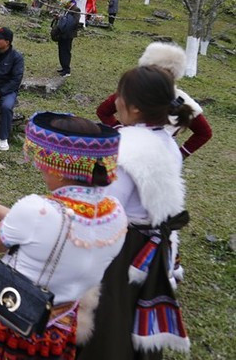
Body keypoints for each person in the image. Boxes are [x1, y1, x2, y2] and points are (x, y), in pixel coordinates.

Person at [0, 112, 127, 360]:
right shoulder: (115, 212)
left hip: (16, 316)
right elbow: (44, 229)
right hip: (62, 322)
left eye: (44, 162)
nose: (41, 168)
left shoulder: (37, 209)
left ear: (59, 167)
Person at [78, 66, 193, 360]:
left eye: (120, 95)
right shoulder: (168, 142)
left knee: (110, 319)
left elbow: (107, 208)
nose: (115, 101)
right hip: (153, 249)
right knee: (135, 316)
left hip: (122, 248)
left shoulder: (124, 146)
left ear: (136, 106)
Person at [96, 42, 211, 159]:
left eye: (166, 74)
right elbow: (103, 111)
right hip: (126, 152)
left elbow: (204, 133)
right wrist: (119, 131)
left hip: (160, 157)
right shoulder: (132, 91)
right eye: (156, 72)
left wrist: (181, 154)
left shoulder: (184, 102)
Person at [55, 0, 79, 77]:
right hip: (62, 33)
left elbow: (74, 22)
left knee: (66, 51)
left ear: (69, 3)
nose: (64, 6)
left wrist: (64, 20)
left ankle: (67, 70)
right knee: (61, 50)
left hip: (68, 34)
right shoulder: (67, 9)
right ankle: (63, 67)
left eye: (65, 4)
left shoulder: (76, 9)